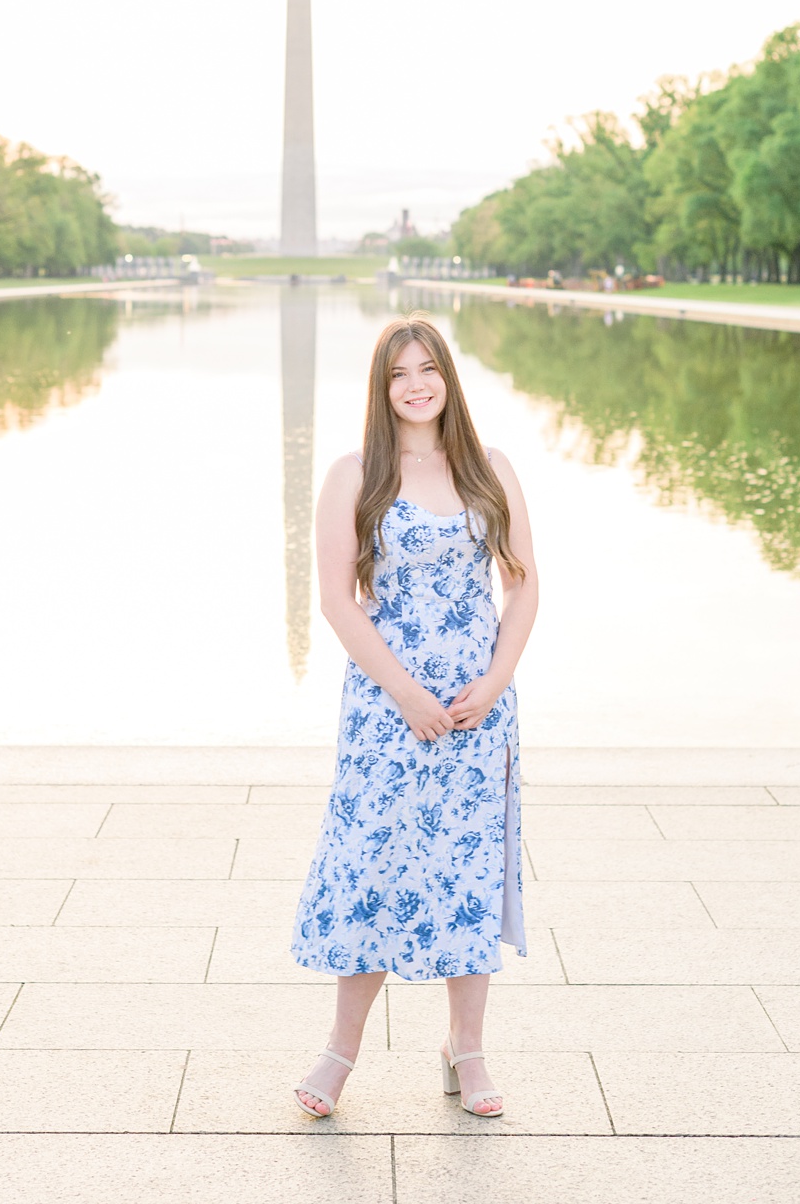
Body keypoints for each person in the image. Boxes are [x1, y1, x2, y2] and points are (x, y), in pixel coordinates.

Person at [289, 316, 541, 1120]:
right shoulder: (354, 473)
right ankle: (340, 1052)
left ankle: (465, 1050)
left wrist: (496, 682)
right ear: (382, 387)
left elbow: (524, 585)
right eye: (400, 374)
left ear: (448, 379)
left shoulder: (486, 467)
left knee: (467, 872)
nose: (416, 385)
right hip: (385, 708)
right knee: (372, 866)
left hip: (475, 710)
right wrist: (402, 691)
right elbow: (336, 600)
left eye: (428, 369)